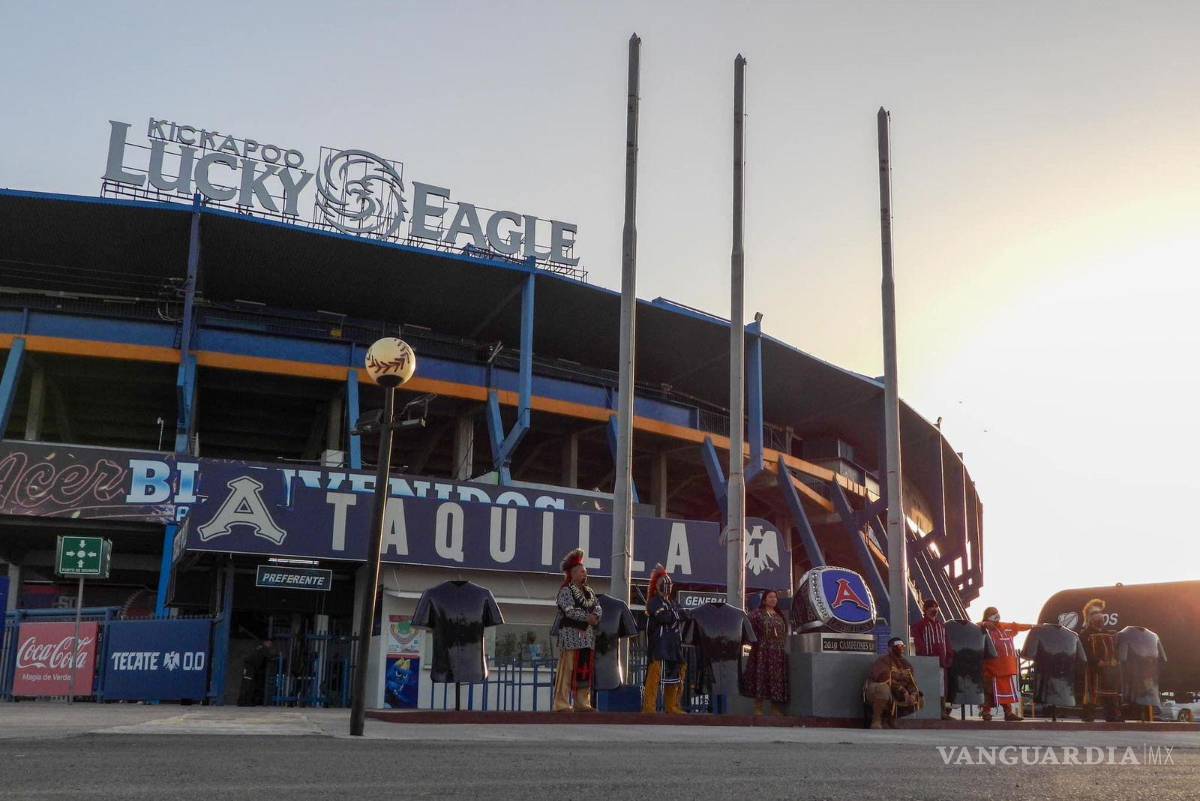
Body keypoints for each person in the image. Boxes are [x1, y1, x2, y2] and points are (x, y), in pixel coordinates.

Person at [552, 548, 601, 712]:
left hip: (587, 638)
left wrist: (595, 616)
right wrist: (587, 617)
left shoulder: (589, 592)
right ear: (572, 574)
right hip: (570, 636)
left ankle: (582, 702)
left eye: (585, 571)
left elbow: (598, 607)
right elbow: (569, 611)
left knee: (584, 671)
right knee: (567, 670)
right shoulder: (565, 591)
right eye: (581, 571)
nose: (585, 574)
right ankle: (561, 704)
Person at [642, 564, 687, 714]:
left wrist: (674, 614)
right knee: (654, 675)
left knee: (675, 676)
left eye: (669, 582)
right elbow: (663, 617)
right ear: (657, 585)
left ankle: (672, 706)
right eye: (664, 582)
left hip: (674, 645)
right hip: (659, 646)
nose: (668, 585)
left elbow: (685, 614)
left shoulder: (672, 602)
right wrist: (676, 614)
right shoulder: (653, 602)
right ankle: (649, 708)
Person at [742, 589, 790, 715]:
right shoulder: (756, 614)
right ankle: (758, 707)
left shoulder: (779, 615)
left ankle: (775, 708)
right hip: (761, 651)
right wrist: (753, 642)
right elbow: (746, 628)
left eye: (775, 597)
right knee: (761, 678)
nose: (773, 599)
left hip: (777, 653)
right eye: (770, 597)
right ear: (764, 600)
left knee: (776, 679)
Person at [979, 606, 1030, 721]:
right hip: (990, 668)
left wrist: (1033, 627)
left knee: (1005, 691)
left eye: (997, 612)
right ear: (987, 616)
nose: (996, 615)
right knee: (989, 691)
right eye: (993, 613)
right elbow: (975, 626)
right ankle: (986, 712)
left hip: (1006, 667)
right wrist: (984, 624)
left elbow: (1018, 626)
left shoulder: (1004, 627)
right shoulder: (983, 628)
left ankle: (1008, 713)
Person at [864, 636, 923, 728]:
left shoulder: (907, 664)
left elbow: (912, 683)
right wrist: (903, 689)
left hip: (897, 693)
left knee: (919, 699)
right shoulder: (883, 660)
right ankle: (876, 720)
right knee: (883, 689)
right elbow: (883, 678)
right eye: (898, 645)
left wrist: (913, 694)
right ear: (890, 648)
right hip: (877, 690)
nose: (901, 647)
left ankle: (891, 718)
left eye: (903, 645)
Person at [1079, 598, 1122, 722]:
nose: (1098, 615)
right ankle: (1088, 714)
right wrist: (1097, 661)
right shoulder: (1085, 634)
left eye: (1099, 612)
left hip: (1108, 669)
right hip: (1093, 669)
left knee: (1110, 692)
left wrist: (1115, 660)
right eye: (1094, 613)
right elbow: (1085, 652)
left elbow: (1115, 650)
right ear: (1088, 617)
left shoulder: (1108, 633)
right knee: (1091, 691)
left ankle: (1112, 715)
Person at [912, 598, 953, 720]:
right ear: (925, 609)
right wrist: (924, 656)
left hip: (941, 662)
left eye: (936, 607)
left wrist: (949, 656)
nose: (934, 609)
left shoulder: (941, 625)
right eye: (931, 607)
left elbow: (947, 642)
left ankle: (942, 711)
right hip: (927, 662)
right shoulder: (920, 625)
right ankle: (927, 710)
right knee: (928, 685)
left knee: (941, 687)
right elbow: (918, 643)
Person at [237, 638, 277, 707]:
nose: (270, 645)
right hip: (250, 667)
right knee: (247, 684)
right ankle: (243, 702)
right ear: (266, 642)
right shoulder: (263, 648)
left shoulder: (259, 647)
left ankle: (245, 701)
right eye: (270, 644)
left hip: (251, 667)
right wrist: (277, 655)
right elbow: (269, 657)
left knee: (249, 684)